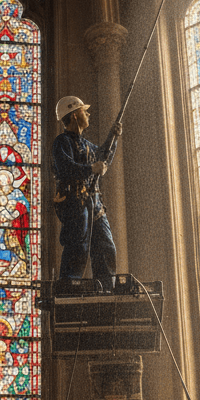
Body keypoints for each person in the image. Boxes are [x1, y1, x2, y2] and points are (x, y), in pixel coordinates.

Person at [49, 94, 122, 289]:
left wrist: (112, 138)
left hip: (95, 205)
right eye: (84, 110)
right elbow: (66, 167)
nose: (88, 113)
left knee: (106, 246)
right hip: (74, 205)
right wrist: (91, 169)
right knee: (77, 248)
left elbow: (102, 159)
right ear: (74, 115)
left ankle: (107, 288)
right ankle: (69, 289)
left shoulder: (87, 146)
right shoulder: (61, 142)